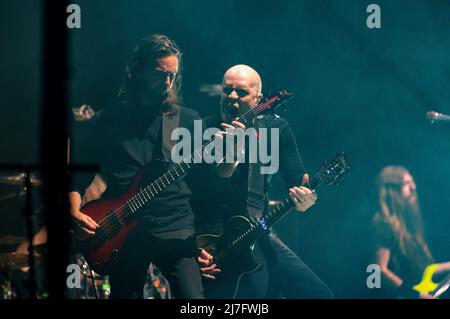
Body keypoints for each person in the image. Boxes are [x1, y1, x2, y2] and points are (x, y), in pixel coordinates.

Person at [69, 34, 205, 298]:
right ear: (136, 71)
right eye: (159, 74)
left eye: (172, 76)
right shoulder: (107, 121)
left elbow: (208, 182)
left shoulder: (188, 120)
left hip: (174, 226)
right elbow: (77, 174)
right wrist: (73, 210)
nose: (167, 83)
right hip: (121, 232)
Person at [191, 64, 333, 298]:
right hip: (210, 240)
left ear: (258, 99)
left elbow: (298, 184)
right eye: (227, 90)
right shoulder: (203, 129)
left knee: (319, 294)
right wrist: (193, 248)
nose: (232, 97)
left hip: (257, 229)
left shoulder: (276, 129)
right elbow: (189, 197)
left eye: (242, 92)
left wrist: (306, 200)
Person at [371, 165, 450, 298]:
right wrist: (414, 295)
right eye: (407, 183)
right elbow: (379, 270)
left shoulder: (408, 223)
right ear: (392, 189)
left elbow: (426, 270)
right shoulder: (384, 223)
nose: (414, 187)